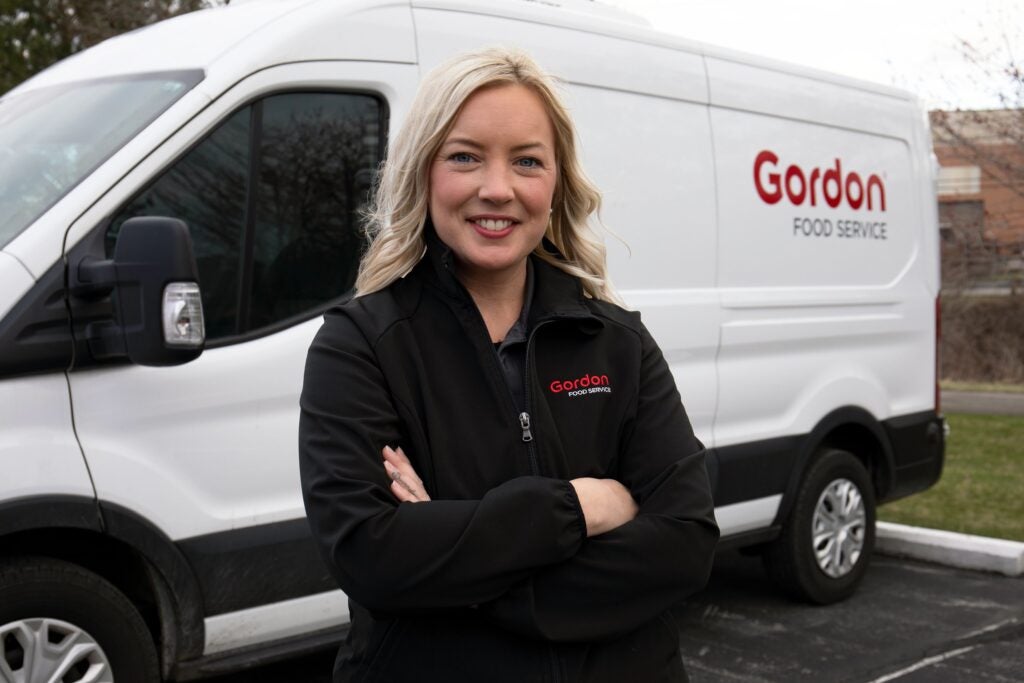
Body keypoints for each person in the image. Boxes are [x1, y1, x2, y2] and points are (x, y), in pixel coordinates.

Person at [299, 46, 718, 683]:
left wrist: (461, 567)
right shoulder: (361, 345)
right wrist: (582, 509)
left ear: (556, 184)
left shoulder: (618, 342)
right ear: (423, 172)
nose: (497, 189)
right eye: (465, 156)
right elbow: (369, 557)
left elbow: (685, 543)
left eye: (527, 161)